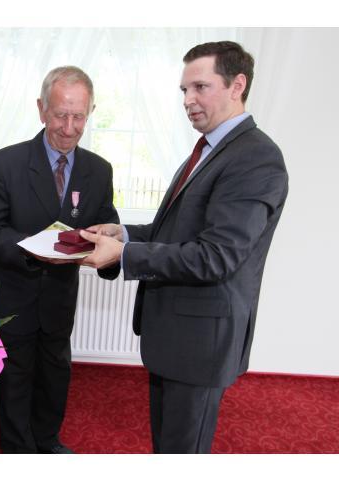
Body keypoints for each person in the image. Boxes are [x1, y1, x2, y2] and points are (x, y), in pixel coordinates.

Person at [80, 41, 289, 453]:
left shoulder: (255, 157)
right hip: (178, 338)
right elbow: (177, 231)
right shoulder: (211, 150)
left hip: (201, 344)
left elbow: (216, 256)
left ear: (237, 85)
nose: (188, 100)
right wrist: (124, 234)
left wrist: (123, 256)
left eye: (200, 87)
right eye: (184, 90)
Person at [0, 66, 120, 454]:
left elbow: (106, 224)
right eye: (60, 115)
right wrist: (34, 249)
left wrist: (109, 246)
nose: (69, 128)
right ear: (41, 109)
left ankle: (47, 441)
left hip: (59, 298)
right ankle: (18, 452)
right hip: (14, 295)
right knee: (14, 379)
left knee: (56, 375)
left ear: (90, 113)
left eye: (79, 117)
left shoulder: (99, 170)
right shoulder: (5, 163)